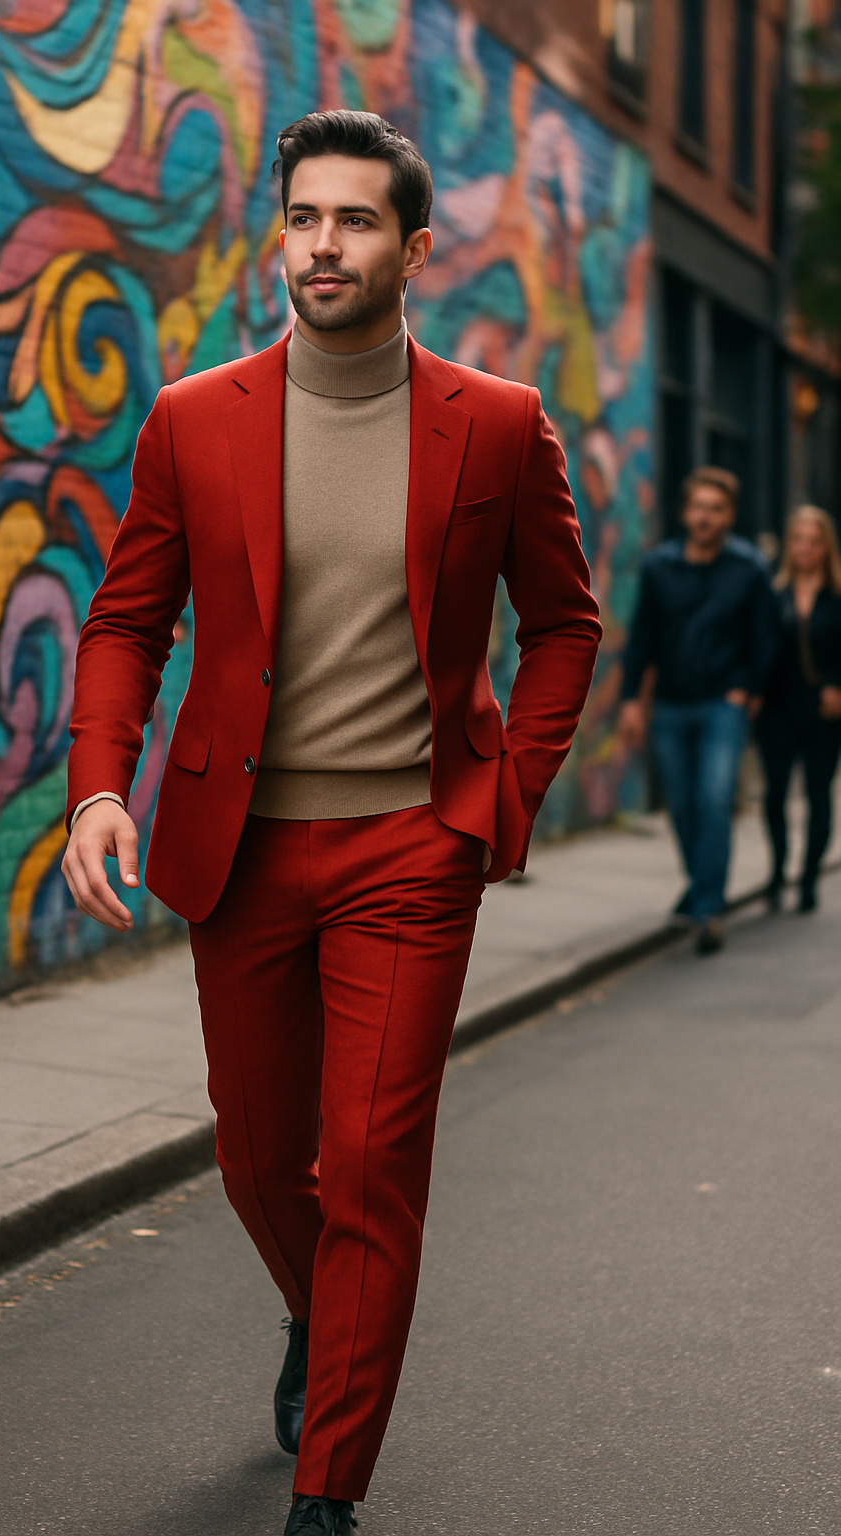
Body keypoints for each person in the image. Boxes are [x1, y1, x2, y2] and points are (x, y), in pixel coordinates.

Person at [61, 110, 601, 1536]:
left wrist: (508, 791)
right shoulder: (195, 419)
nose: (323, 243)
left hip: (413, 852)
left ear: (414, 248)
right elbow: (127, 620)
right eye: (304, 216)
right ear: (277, 233)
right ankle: (320, 1309)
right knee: (256, 1158)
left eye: (356, 221)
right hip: (237, 854)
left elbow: (563, 627)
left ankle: (329, 1493)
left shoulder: (496, 423)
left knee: (371, 1164)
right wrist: (99, 789)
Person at [618, 467, 777, 955]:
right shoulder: (659, 567)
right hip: (669, 703)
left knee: (714, 799)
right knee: (683, 806)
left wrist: (748, 690)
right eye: (699, 507)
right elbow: (641, 637)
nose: (705, 517)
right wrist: (629, 700)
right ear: (686, 512)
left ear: (729, 515)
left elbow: (766, 638)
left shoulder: (749, 569)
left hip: (721, 705)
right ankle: (702, 887)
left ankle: (707, 909)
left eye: (716, 508)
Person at [756, 505, 841, 912]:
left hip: (825, 712)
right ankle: (777, 872)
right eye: (798, 539)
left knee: (818, 795)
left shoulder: (837, 597)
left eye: (814, 540)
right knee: (774, 795)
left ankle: (809, 877)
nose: (805, 547)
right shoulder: (774, 594)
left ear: (827, 547)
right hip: (777, 708)